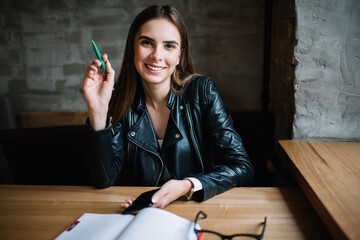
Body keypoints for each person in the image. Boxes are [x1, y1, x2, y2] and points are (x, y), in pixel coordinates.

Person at [83, 5, 254, 209]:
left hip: (194, 210)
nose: (157, 55)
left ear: (180, 55)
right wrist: (98, 110)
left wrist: (188, 185)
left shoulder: (203, 92)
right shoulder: (118, 98)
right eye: (147, 43)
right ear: (133, 48)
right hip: (138, 214)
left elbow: (242, 167)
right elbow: (105, 179)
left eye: (169, 46)